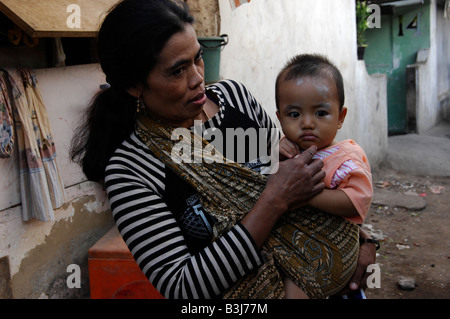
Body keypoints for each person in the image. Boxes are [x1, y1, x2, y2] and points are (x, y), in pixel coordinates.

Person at [70, 0, 377, 299]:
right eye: (178, 71)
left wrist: (361, 240)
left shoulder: (235, 99)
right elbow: (181, 286)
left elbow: (301, 176)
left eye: (198, 58)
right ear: (134, 85)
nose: (198, 78)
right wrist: (273, 202)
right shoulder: (132, 168)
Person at [275, 53, 374, 298]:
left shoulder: (346, 157)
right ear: (279, 118)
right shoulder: (287, 150)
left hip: (325, 256)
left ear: (340, 117)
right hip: (292, 248)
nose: (307, 123)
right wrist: (275, 154)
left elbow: (357, 200)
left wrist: (308, 196)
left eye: (320, 113)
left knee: (295, 290)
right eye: (294, 115)